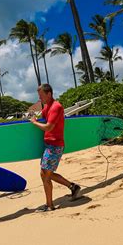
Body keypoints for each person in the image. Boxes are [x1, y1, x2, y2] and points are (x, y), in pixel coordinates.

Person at [30, 84, 81, 212]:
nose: (40, 99)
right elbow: (43, 117)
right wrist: (35, 117)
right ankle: (73, 187)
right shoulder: (47, 107)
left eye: (41, 96)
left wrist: (34, 123)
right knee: (48, 174)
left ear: (49, 94)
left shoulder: (56, 107)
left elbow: (48, 127)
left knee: (44, 174)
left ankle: (49, 205)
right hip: (48, 145)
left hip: (55, 145)